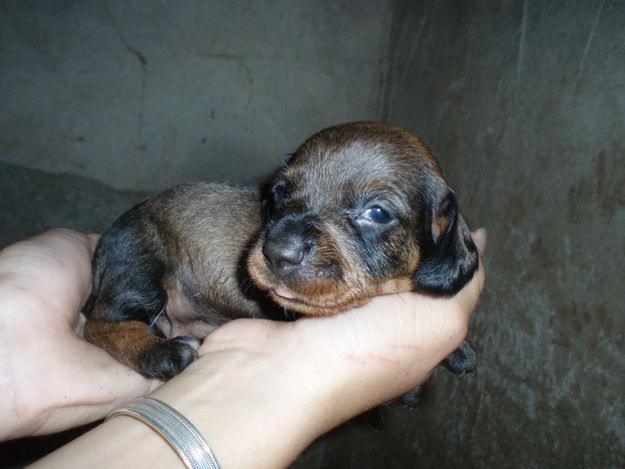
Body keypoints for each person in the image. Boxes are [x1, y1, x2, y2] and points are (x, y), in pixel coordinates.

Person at [0, 228, 486, 468]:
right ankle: (119, 332)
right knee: (133, 266)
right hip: (162, 248)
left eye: (376, 215)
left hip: (209, 317)